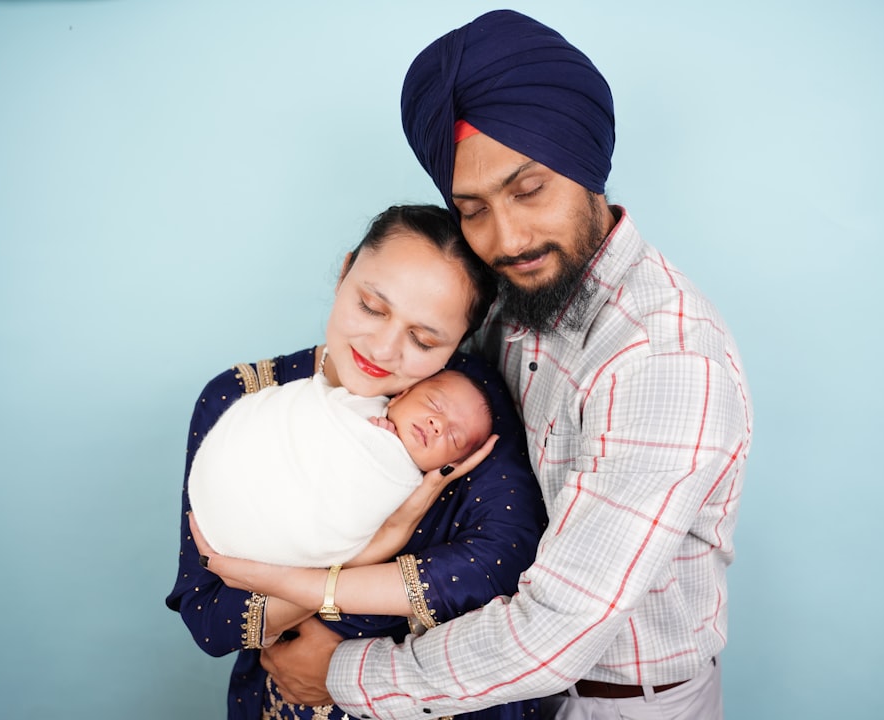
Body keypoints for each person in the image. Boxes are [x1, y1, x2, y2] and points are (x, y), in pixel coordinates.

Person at [254, 10, 754, 720]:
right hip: (492, 694)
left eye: (529, 190)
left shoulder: (663, 359)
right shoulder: (509, 292)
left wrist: (341, 673)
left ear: (585, 166)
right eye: (472, 209)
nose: (507, 237)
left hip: (612, 704)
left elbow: (557, 632)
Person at [166, 203, 548, 720]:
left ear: (460, 343)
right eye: (371, 306)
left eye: (424, 339)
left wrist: (315, 610)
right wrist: (373, 552)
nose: (384, 348)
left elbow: (502, 567)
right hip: (286, 703)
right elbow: (210, 620)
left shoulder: (461, 410)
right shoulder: (241, 399)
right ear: (345, 272)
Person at [188, 366, 494, 567]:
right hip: (229, 488)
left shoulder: (409, 487)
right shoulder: (357, 399)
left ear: (452, 464)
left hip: (272, 540)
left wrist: (381, 448)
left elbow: (350, 509)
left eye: (454, 437)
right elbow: (300, 415)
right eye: (434, 404)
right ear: (402, 393)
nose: (437, 424)